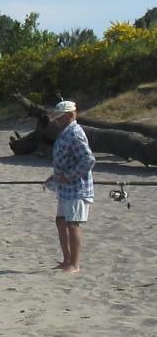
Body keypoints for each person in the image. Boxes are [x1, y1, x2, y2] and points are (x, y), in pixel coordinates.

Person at [45, 100, 96, 273]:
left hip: (77, 188)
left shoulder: (76, 133)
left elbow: (88, 160)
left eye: (59, 117)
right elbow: (64, 159)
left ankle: (75, 264)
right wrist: (55, 177)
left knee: (73, 224)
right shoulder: (65, 132)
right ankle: (66, 260)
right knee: (60, 221)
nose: (56, 121)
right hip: (64, 188)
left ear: (69, 115)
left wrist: (68, 176)